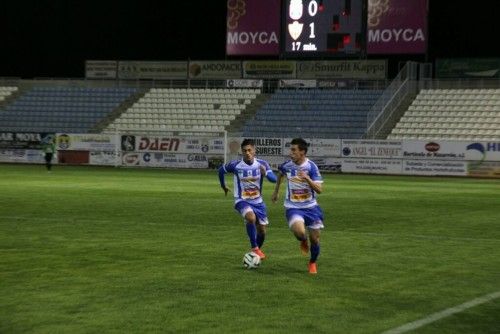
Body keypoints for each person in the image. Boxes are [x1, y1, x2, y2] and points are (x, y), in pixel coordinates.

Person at [272, 138, 324, 274]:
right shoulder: (287, 165)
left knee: (315, 239)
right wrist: (276, 191)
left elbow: (319, 189)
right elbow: (280, 174)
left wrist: (307, 178)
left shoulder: (311, 166)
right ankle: (302, 240)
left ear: (302, 152)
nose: (291, 152)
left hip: (311, 207)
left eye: (294, 150)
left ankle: (312, 262)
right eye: (291, 149)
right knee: (300, 232)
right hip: (293, 207)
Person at [218, 138, 277, 260]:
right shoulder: (235, 165)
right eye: (245, 151)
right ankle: (255, 248)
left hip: (258, 202)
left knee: (262, 231)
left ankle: (255, 253)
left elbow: (274, 179)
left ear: (254, 150)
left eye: (250, 150)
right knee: (251, 217)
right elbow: (221, 170)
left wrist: (265, 173)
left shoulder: (262, 164)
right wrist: (223, 186)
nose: (247, 153)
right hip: (242, 200)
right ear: (242, 152)